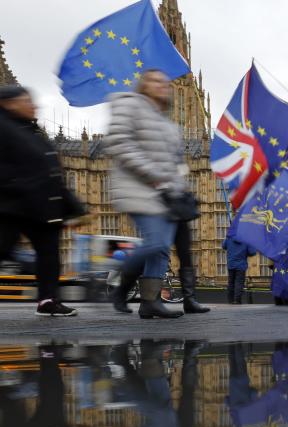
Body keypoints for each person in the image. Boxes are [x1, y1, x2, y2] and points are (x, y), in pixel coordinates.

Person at [104, 70, 186, 319]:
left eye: (165, 82)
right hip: (138, 189)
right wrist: (154, 174)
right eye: (155, 81)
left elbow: (175, 161)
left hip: (165, 196)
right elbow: (118, 142)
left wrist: (179, 188)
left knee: (161, 250)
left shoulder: (165, 121)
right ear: (143, 85)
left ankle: (150, 301)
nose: (162, 86)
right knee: (157, 243)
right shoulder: (129, 105)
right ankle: (120, 285)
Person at [0, 85, 85, 317]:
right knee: (4, 248)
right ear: (10, 103)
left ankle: (48, 300)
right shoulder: (5, 128)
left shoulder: (33, 132)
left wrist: (75, 208)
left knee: (49, 254)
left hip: (40, 206)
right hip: (13, 205)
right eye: (26, 101)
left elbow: (52, 174)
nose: (33, 105)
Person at [222, 236, 255, 304]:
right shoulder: (246, 239)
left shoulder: (229, 237)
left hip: (231, 264)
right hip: (241, 265)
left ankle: (230, 300)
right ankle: (237, 300)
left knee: (231, 283)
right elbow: (252, 252)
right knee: (239, 283)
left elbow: (223, 246)